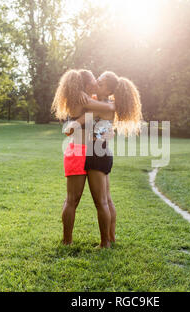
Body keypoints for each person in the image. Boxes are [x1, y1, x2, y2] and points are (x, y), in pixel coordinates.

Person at [63, 71, 142, 246]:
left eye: (101, 81)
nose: (97, 81)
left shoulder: (101, 104)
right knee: (106, 199)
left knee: (101, 202)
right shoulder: (101, 102)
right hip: (102, 150)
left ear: (108, 89)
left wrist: (75, 121)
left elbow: (85, 117)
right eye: (96, 79)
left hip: (96, 152)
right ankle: (110, 238)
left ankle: (105, 242)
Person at [51, 69, 116, 248]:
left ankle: (68, 240)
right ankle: (74, 241)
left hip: (83, 149)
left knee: (72, 199)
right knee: (78, 200)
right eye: (95, 80)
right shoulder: (84, 100)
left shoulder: (81, 98)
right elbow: (109, 108)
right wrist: (106, 107)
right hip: (81, 150)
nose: (97, 82)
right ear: (87, 85)